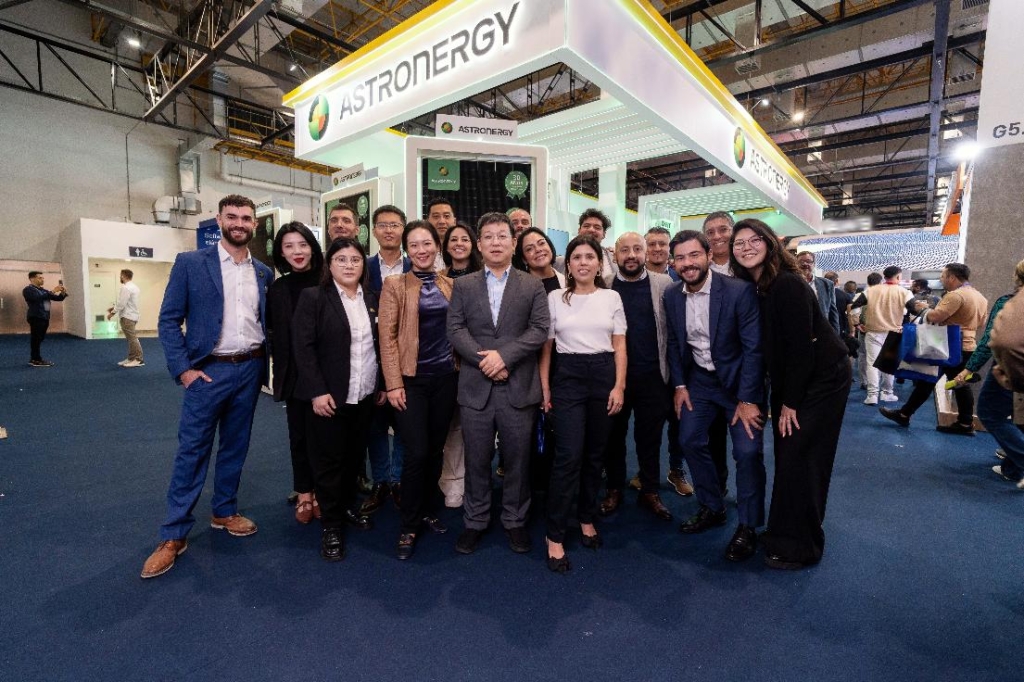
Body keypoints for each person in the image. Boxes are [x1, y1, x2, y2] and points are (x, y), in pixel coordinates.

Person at [141, 194, 274, 579]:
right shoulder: (190, 263)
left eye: (246, 218)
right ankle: (173, 533)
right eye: (232, 217)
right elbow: (168, 320)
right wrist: (183, 370)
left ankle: (224, 511)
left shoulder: (263, 272)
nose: (239, 223)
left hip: (250, 369)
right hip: (207, 372)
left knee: (236, 444)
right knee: (193, 450)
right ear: (219, 220)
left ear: (254, 224)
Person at [730, 219, 851, 569]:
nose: (746, 247)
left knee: (803, 458)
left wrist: (790, 404)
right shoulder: (759, 287)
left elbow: (801, 349)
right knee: (789, 457)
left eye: (754, 240)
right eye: (740, 243)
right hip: (794, 380)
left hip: (822, 380)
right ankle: (784, 533)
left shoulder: (787, 284)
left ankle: (802, 546)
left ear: (770, 243)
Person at [447, 212, 550, 557]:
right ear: (479, 244)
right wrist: (486, 362)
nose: (495, 242)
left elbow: (539, 330)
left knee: (518, 459)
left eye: (502, 236)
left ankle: (515, 519)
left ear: (513, 242)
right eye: (488, 237)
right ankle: (475, 520)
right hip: (475, 387)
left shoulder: (532, 285)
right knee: (476, 458)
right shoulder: (464, 285)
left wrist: (503, 358)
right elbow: (455, 329)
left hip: (518, 385)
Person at [666, 230, 765, 563]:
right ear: (674, 263)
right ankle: (712, 506)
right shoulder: (671, 295)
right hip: (700, 383)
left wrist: (748, 399)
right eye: (680, 258)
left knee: (747, 452)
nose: (687, 263)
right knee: (689, 439)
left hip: (739, 388)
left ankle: (749, 525)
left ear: (709, 255)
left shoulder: (738, 291)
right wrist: (680, 385)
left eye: (694, 255)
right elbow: (675, 344)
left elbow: (753, 349)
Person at [540, 235, 626, 572]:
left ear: (599, 263)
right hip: (568, 377)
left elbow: (620, 345)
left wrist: (619, 386)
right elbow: (547, 348)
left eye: (590, 256)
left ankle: (587, 517)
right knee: (568, 456)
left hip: (604, 375)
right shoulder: (555, 298)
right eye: (577, 257)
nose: (583, 262)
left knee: (595, 454)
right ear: (569, 264)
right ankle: (555, 534)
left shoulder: (612, 297)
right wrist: (545, 389)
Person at [292, 238, 380, 561]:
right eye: (341, 259)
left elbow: (379, 346)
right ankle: (331, 524)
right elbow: (303, 348)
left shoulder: (372, 298)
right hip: (329, 397)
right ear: (329, 265)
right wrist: (316, 390)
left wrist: (381, 385)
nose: (348, 265)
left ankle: (344, 509)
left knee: (353, 459)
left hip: (364, 394)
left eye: (355, 259)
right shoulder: (314, 297)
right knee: (328, 463)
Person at [379, 221, 458, 559]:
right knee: (417, 452)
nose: (422, 250)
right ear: (407, 250)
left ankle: (426, 509)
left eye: (427, 243)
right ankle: (409, 524)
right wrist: (393, 383)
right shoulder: (395, 284)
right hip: (411, 381)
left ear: (436, 246)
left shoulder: (450, 284)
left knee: (436, 449)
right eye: (414, 245)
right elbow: (387, 338)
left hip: (447, 378)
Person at [600, 232, 677, 521]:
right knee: (613, 437)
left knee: (650, 438)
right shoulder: (604, 284)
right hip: (613, 379)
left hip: (653, 377)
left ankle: (650, 491)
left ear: (645, 253)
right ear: (615, 254)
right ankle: (614, 489)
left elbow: (673, 332)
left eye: (637, 249)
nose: (631, 255)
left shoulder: (664, 284)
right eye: (624, 250)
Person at [879, 263, 988, 435]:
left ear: (952, 277)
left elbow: (936, 317)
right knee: (947, 383)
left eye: (943, 276)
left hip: (947, 345)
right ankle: (962, 422)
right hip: (967, 345)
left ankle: (907, 414)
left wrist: (924, 310)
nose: (941, 279)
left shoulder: (955, 295)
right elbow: (981, 323)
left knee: (932, 380)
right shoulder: (979, 297)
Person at [266, 222, 324, 525]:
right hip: (293, 374)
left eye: (302, 244)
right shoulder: (278, 288)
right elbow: (273, 331)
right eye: (288, 246)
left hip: (326, 375)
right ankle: (304, 492)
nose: (297, 252)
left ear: (312, 246)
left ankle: (324, 492)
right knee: (298, 437)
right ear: (281, 252)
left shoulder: (329, 280)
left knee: (326, 438)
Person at [360, 205, 412, 515]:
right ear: (374, 230)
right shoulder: (363, 267)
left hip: (408, 361)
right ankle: (380, 481)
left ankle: (398, 480)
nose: (389, 230)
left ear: (403, 229)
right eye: (383, 225)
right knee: (375, 428)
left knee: (405, 425)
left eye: (395, 225)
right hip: (370, 359)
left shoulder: (415, 266)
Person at [960, 260, 1024, 486]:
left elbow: (993, 340)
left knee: (990, 413)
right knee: (1020, 417)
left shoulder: (1011, 303)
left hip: (1012, 368)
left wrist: (969, 368)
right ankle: (1012, 468)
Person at [437, 223, 482, 508]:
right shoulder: (437, 278)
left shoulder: (485, 276)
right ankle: (453, 481)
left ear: (473, 244)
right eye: (453, 239)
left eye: (465, 239)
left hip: (480, 360)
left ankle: (477, 482)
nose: (459, 243)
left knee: (478, 429)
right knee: (453, 426)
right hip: (447, 361)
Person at [850, 266, 911, 405]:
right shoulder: (904, 292)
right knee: (889, 363)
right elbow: (911, 310)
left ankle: (872, 395)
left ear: (885, 276)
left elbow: (854, 307)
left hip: (873, 332)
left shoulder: (870, 291)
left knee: (872, 363)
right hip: (894, 333)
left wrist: (857, 323)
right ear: (898, 277)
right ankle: (887, 393)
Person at [554, 209, 616, 281]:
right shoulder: (559, 262)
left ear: (604, 234)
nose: (591, 230)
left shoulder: (614, 259)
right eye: (586, 226)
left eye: (597, 227)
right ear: (579, 230)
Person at [23, 271, 67, 367]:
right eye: (40, 278)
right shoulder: (28, 290)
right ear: (32, 279)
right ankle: (35, 359)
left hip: (44, 317)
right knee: (36, 339)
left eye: (43, 278)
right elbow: (37, 298)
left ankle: (35, 358)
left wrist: (63, 292)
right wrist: (53, 291)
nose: (42, 279)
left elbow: (58, 298)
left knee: (39, 338)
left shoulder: (44, 290)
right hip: (35, 317)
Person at [796, 251, 841, 335]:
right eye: (801, 261)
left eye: (809, 261)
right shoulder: (790, 283)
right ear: (796, 264)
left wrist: (836, 335)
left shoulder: (827, 284)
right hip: (797, 330)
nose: (805, 264)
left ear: (814, 264)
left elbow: (833, 311)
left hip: (821, 331)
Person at [107, 269, 143, 367]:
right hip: (132, 315)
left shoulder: (126, 288)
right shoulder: (135, 287)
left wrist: (112, 313)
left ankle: (138, 359)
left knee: (132, 338)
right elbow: (127, 303)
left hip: (127, 316)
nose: (120, 277)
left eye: (121, 275)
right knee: (130, 339)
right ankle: (131, 358)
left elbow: (121, 303)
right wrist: (114, 308)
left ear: (123, 276)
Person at [516, 227, 565, 293]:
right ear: (524, 259)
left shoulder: (569, 282)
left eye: (541, 243)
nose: (538, 249)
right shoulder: (518, 289)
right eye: (529, 249)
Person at [427, 198, 457, 271]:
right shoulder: (420, 253)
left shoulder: (463, 252)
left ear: (454, 221)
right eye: (436, 217)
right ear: (427, 221)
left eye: (446, 216)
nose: (442, 221)